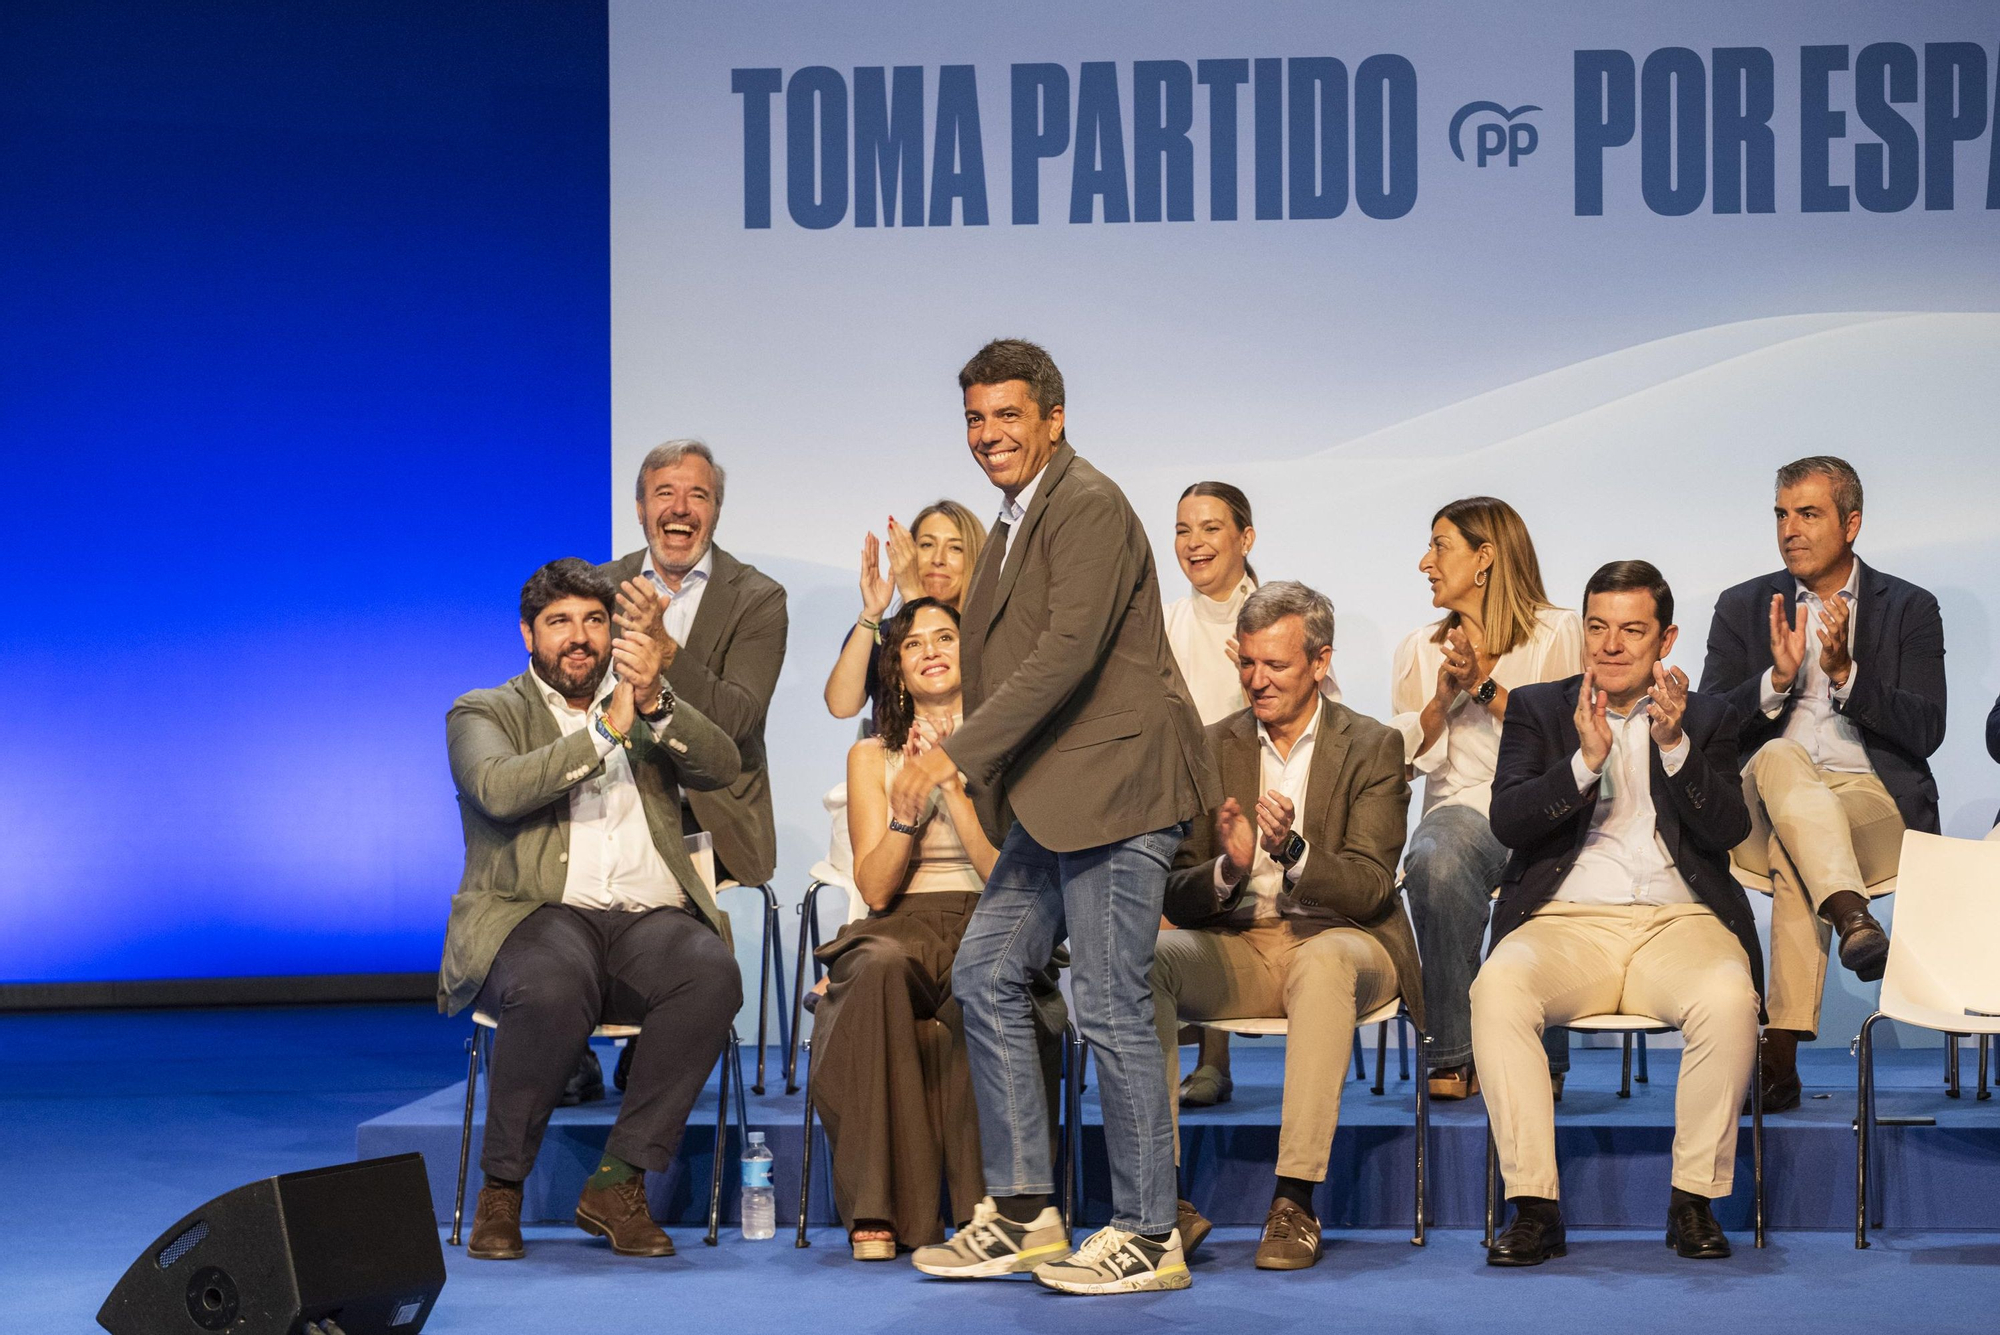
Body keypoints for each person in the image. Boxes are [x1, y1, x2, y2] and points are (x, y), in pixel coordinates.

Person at [901, 339, 1219, 1295]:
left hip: (1118, 787)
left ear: (1053, 417)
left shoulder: (1086, 503)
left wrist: (953, 753)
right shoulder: (1010, 517)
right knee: (987, 969)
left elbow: (1068, 654)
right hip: (1054, 796)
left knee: (1113, 1003)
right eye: (974, 418)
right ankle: (1028, 1210)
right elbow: (1008, 657)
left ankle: (1149, 1231)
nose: (988, 435)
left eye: (1006, 415)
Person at [443, 559, 743, 1261]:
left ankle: (617, 1183)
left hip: (648, 918)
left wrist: (660, 704)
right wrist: (604, 733)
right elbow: (498, 786)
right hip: (538, 915)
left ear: (613, 630)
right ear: (528, 634)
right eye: (559, 623)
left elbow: (724, 764)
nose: (579, 638)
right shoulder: (482, 710)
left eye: (594, 620)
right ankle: (502, 1191)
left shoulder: (644, 699)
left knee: (712, 973)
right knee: (549, 984)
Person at [1475, 561, 1759, 1266]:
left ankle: (1692, 1201)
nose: (1611, 644)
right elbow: (1509, 819)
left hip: (1678, 921)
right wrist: (1583, 764)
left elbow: (1726, 831)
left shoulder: (1708, 715)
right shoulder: (1542, 709)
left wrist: (1675, 748)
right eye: (1597, 627)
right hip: (1565, 921)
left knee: (1729, 997)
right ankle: (1535, 1208)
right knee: (1498, 988)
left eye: (1632, 630)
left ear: (1665, 639)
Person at [1152, 582, 1419, 1271]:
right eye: (1247, 663)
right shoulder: (1210, 746)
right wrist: (1229, 867)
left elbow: (1368, 884)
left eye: (1275, 665)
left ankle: (1293, 1199)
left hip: (1345, 937)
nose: (1256, 679)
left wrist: (1293, 851)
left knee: (1325, 961)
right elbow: (1178, 892)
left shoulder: (1373, 745)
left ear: (1320, 661)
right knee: (1145, 959)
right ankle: (1157, 1201)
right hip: (1242, 940)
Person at [1698, 457, 1946, 1111]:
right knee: (1781, 762)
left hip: (1869, 801)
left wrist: (1847, 676)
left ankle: (1778, 1061)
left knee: (1795, 853)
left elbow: (1927, 728)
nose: (1790, 529)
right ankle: (1854, 918)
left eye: (1808, 513)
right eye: (1781, 514)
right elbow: (1705, 726)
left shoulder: (1911, 607)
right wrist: (1774, 684)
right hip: (1759, 800)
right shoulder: (1743, 605)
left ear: (1852, 522)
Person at [811, 598, 997, 1260]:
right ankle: (877, 1209)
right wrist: (907, 810)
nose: (930, 649)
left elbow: (1004, 873)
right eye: (913, 643)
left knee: (988, 978)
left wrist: (951, 787)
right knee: (878, 966)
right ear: (897, 668)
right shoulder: (872, 755)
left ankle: (992, 1209)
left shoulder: (1006, 744)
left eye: (944, 635)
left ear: (969, 651)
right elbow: (877, 887)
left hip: (990, 916)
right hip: (902, 920)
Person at [1388, 497, 1582, 1100]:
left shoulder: (1558, 632)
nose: (1425, 561)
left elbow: (1566, 739)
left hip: (1539, 802)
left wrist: (1484, 685)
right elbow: (1401, 758)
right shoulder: (1420, 647)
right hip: (1462, 810)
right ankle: (1453, 1050)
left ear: (1485, 557)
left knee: (1546, 856)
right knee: (1435, 857)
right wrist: (1445, 698)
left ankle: (1532, 1052)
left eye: (1439, 545)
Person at [601, 439, 788, 891]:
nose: (680, 509)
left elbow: (736, 720)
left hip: (708, 814)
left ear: (716, 510)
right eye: (664, 493)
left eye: (698, 496)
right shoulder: (600, 587)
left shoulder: (758, 598)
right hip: (610, 801)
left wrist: (664, 647)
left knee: (677, 943)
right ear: (641, 509)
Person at [825, 501, 988, 720]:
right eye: (927, 545)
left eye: (955, 548)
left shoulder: (990, 633)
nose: (938, 559)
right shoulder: (883, 633)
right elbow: (842, 707)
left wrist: (914, 594)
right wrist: (871, 614)